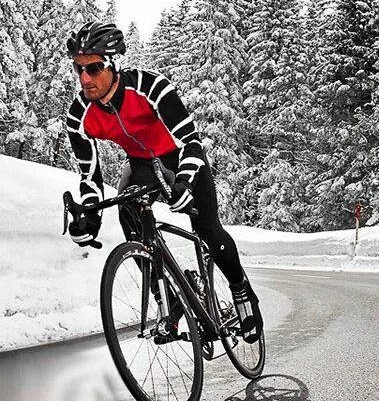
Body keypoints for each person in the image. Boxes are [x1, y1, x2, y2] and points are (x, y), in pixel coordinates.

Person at [64, 21, 262, 342]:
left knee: (208, 228)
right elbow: (90, 176)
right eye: (79, 69)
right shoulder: (80, 114)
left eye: (94, 68)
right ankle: (168, 300)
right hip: (140, 163)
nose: (85, 78)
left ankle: (241, 293)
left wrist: (184, 181)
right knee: (128, 210)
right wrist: (89, 213)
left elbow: (191, 142)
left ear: (113, 64)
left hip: (178, 158)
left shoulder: (151, 87)